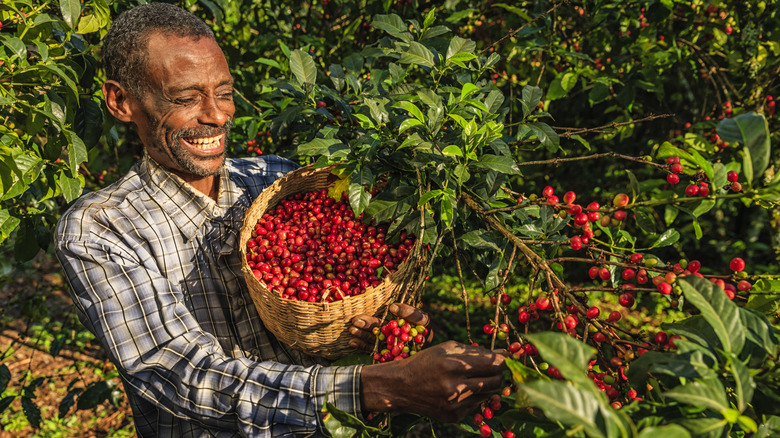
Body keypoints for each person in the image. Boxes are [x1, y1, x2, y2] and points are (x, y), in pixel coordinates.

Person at [55, 3, 506, 437]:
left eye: (225, 93)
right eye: (185, 98)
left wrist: (383, 333)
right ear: (120, 101)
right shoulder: (101, 227)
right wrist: (381, 386)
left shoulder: (275, 180)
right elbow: (180, 376)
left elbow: (338, 301)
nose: (217, 115)